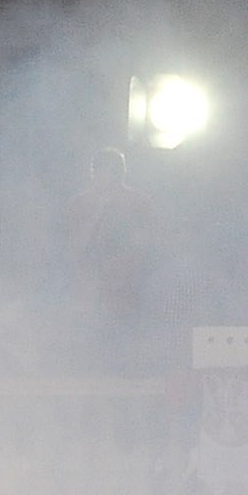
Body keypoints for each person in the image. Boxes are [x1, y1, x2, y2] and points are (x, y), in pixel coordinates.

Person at [64, 149, 157, 371]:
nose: (99, 176)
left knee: (125, 348)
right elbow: (74, 249)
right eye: (96, 171)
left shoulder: (138, 202)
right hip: (91, 292)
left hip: (128, 290)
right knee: (90, 350)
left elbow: (151, 244)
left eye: (106, 171)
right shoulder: (81, 204)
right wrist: (96, 215)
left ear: (119, 173)